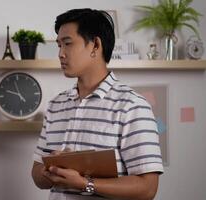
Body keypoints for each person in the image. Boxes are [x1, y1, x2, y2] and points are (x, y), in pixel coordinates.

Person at [32, 9, 164, 200]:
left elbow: (147, 188)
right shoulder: (56, 105)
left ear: (95, 45)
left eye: (67, 44)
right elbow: (36, 173)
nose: (60, 54)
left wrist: (85, 184)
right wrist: (52, 171)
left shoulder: (132, 105)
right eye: (59, 45)